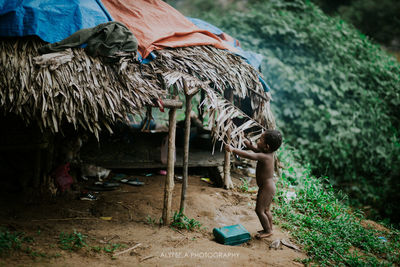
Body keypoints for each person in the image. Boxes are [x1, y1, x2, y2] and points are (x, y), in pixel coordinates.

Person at [225, 129, 282, 239]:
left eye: (260, 140)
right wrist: (245, 140)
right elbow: (254, 148)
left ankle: (268, 230)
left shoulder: (264, 156)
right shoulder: (268, 153)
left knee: (259, 210)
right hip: (268, 187)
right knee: (266, 210)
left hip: (267, 188)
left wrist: (233, 149)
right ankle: (269, 228)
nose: (258, 141)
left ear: (267, 146)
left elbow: (249, 155)